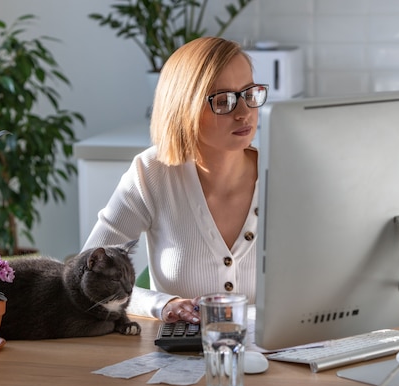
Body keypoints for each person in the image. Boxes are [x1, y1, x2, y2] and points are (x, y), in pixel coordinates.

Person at [82, 37, 268, 324]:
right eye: (223, 101)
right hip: (179, 360)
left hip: (280, 355)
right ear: (184, 108)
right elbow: (87, 276)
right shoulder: (152, 172)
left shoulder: (285, 171)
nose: (244, 113)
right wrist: (163, 304)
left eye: (249, 93)